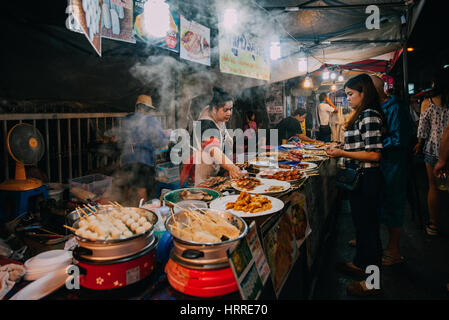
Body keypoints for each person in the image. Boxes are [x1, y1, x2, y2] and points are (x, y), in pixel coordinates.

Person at [326, 74, 385, 297]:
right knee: (361, 227)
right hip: (360, 178)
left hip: (368, 178)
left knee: (369, 230)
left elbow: (374, 154)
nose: (347, 98)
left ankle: (373, 282)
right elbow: (361, 144)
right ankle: (361, 265)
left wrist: (342, 152)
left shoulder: (369, 114)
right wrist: (341, 146)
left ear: (364, 93)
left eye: (351, 94)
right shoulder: (361, 114)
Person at [370, 75, 415, 266]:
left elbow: (400, 139)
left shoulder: (396, 107)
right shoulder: (378, 107)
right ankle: (373, 242)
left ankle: (394, 250)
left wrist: (375, 145)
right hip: (382, 163)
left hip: (394, 163)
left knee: (393, 202)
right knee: (379, 201)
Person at [415, 68, 449, 236]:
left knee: (433, 187)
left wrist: (419, 144)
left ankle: (433, 224)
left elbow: (422, 130)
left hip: (433, 150)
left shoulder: (428, 101)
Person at [118, 94, 167, 205]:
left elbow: (120, 139)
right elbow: (161, 142)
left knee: (128, 186)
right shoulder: (151, 121)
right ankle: (142, 213)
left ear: (137, 107)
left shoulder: (127, 119)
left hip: (126, 159)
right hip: (143, 160)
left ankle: (124, 211)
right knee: (141, 188)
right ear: (147, 109)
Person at [192, 87, 244, 186]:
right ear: (215, 109)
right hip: (205, 178)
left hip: (216, 171)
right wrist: (231, 167)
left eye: (230, 109)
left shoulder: (219, 118)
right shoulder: (205, 124)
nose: (229, 113)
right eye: (225, 110)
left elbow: (224, 134)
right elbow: (213, 149)